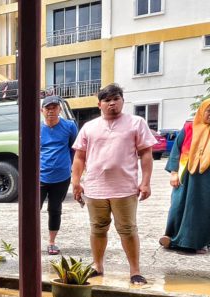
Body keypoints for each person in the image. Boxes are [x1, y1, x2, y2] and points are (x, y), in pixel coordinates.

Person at [71, 83, 155, 285]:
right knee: (98, 228)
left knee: (127, 229)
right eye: (107, 100)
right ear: (99, 104)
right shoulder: (89, 127)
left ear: (122, 101)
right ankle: (97, 266)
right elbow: (79, 157)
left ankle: (135, 271)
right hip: (95, 188)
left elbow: (146, 154)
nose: (112, 104)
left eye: (116, 99)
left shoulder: (136, 123)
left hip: (125, 188)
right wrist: (76, 182)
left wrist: (145, 182)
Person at [159, 99, 210, 254]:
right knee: (178, 206)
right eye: (208, 110)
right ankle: (174, 238)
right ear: (202, 110)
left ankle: (199, 242)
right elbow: (176, 149)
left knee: (203, 209)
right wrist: (174, 172)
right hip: (186, 176)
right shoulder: (189, 127)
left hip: (206, 179)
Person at [39, 95, 79, 255]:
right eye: (47, 108)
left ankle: (51, 242)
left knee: (55, 209)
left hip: (62, 177)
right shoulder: (36, 127)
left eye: (54, 107)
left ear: (59, 109)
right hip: (40, 177)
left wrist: (72, 169)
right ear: (42, 111)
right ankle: (33, 240)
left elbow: (75, 150)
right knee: (34, 209)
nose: (51, 111)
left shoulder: (69, 126)